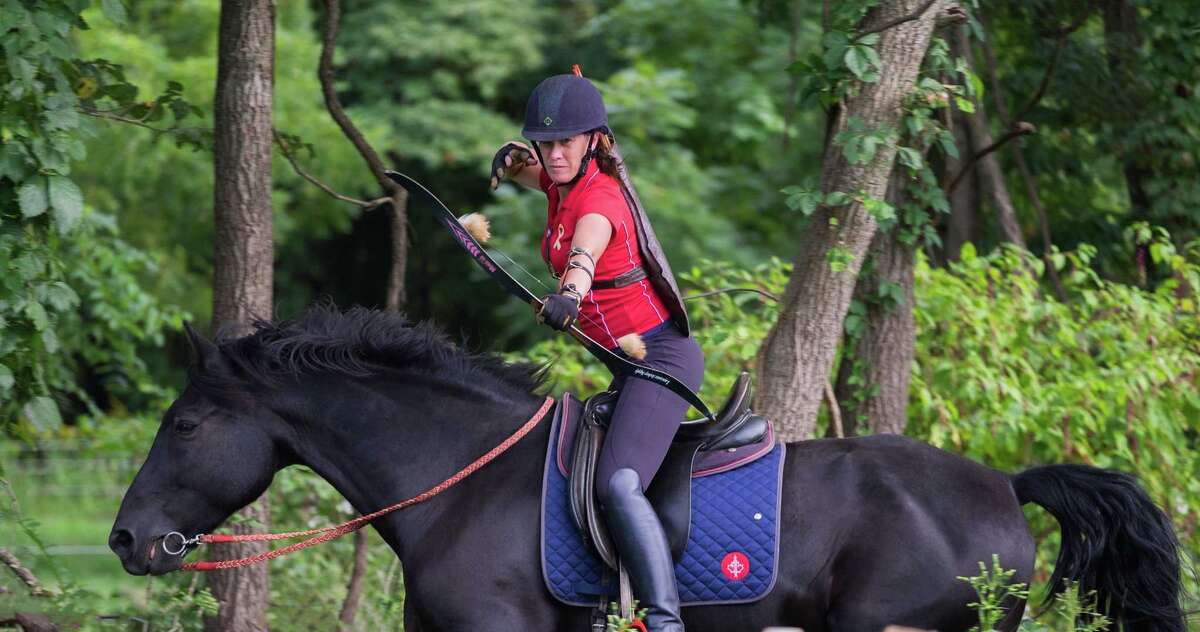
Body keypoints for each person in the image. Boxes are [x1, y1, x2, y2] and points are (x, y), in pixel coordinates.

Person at [490, 71, 702, 632]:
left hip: (661, 360)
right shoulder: (562, 179)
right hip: (626, 367)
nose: (554, 155)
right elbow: (543, 176)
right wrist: (514, 162)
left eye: (566, 142)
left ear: (595, 142)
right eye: (546, 142)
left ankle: (664, 619)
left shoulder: (601, 197)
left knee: (618, 482)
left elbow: (587, 245)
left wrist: (570, 294)